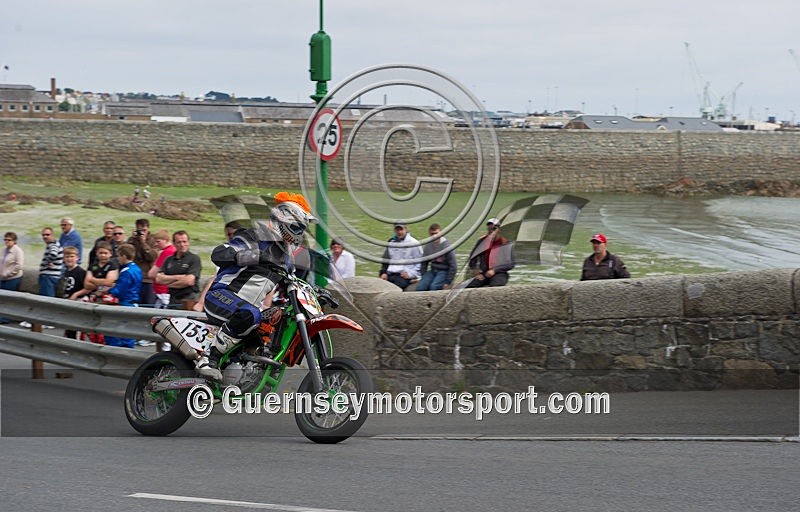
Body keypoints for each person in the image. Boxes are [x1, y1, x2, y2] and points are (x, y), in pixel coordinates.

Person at [198, 191, 316, 380]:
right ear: (283, 222)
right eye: (297, 227)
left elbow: (292, 285)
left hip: (246, 310)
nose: (300, 234)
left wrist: (316, 292)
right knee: (250, 313)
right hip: (221, 296)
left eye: (302, 229)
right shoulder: (254, 236)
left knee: (272, 327)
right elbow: (219, 254)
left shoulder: (285, 259)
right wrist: (254, 256)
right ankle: (208, 359)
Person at [104, 243, 143, 348]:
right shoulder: (137, 269)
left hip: (126, 303)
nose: (118, 259)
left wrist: (110, 290)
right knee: (128, 332)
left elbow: (120, 290)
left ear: (124, 256)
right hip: (134, 302)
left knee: (121, 331)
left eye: (119, 256)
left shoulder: (126, 271)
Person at [155, 230, 202, 310]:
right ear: (174, 243)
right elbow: (158, 279)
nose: (182, 245)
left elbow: (189, 281)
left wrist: (168, 282)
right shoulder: (169, 260)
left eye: (184, 242)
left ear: (188, 242)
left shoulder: (194, 259)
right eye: (179, 242)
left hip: (189, 300)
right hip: (173, 299)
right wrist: (179, 277)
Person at [467, 217, 515, 288]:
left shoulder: (505, 243)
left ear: (499, 230)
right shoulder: (482, 242)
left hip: (499, 273)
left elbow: (511, 264)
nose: (491, 231)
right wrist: (476, 272)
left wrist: (495, 270)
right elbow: (472, 259)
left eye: (494, 229)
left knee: (496, 286)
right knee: (469, 285)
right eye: (489, 229)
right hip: (484, 273)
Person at [379, 223, 423, 290]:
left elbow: (420, 263)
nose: (399, 232)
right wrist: (383, 272)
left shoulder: (414, 243)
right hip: (391, 273)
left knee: (393, 289)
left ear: (406, 229)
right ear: (394, 230)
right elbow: (386, 260)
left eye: (401, 229)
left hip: (404, 276)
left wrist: (410, 274)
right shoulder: (391, 242)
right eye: (397, 230)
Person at [126, 218, 158, 306]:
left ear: (148, 229)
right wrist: (133, 240)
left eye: (144, 230)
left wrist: (143, 243)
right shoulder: (132, 240)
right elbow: (126, 255)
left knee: (148, 305)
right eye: (140, 230)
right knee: (133, 304)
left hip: (147, 280)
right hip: (134, 279)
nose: (142, 233)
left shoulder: (153, 241)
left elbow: (152, 257)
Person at [416, 223, 457, 291]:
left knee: (434, 287)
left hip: (444, 271)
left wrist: (448, 282)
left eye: (436, 233)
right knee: (420, 287)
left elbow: (453, 265)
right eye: (432, 234)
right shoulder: (428, 245)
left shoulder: (447, 246)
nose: (434, 236)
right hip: (433, 270)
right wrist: (423, 276)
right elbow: (424, 262)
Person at [59, 246, 86, 339]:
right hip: (68, 300)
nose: (69, 259)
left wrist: (76, 294)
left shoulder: (80, 272)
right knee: (68, 327)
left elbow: (88, 288)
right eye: (67, 257)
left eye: (72, 256)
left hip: (77, 302)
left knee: (75, 328)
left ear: (77, 258)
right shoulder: (66, 272)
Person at [148, 229, 176, 309]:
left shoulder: (166, 252)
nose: (156, 244)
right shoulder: (174, 250)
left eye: (158, 241)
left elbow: (152, 274)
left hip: (162, 291)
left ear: (166, 240)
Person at [0, 232, 24, 324]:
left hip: (13, 278)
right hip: (2, 278)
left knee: (8, 299)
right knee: (2, 299)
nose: (7, 241)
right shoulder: (3, 250)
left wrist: (8, 274)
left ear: (14, 241)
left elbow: (19, 266)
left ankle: (5, 318)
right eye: (5, 239)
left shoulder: (18, 251)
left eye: (9, 240)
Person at [38, 227, 64, 297]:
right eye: (43, 235)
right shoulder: (54, 244)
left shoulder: (53, 244)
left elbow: (53, 254)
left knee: (46, 299)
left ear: (52, 235)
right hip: (50, 276)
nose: (45, 237)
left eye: (47, 234)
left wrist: (48, 262)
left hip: (48, 276)